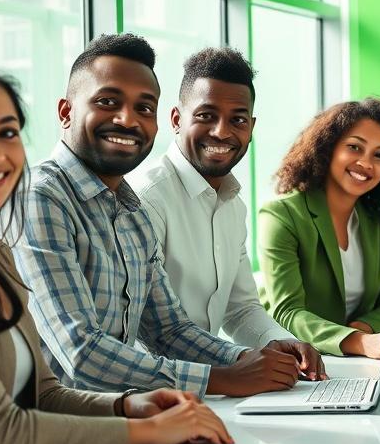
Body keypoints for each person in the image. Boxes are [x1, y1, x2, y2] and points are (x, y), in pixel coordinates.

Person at [0, 61, 233, 444]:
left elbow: (42, 393)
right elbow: (3, 435)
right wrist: (146, 431)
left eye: (6, 132)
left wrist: (128, 405)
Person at [13, 34, 320, 398]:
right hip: (48, 429)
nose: (127, 120)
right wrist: (222, 378)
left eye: (144, 108)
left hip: (117, 415)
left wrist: (252, 359)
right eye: (108, 102)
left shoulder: (129, 210)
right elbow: (81, 353)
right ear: (65, 111)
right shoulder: (39, 198)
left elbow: (168, 330)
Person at [130, 47, 326, 378]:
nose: (222, 132)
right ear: (177, 119)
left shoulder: (233, 204)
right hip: (153, 390)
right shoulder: (146, 200)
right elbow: (155, 332)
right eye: (206, 115)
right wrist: (242, 361)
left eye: (237, 119)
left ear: (251, 126)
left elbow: (240, 309)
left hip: (215, 384)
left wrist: (283, 342)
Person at [258, 98, 380, 360]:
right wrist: (359, 342)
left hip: (352, 364)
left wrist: (361, 332)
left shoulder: (378, 221)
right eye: (354, 147)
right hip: (292, 363)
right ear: (328, 148)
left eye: (379, 155)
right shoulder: (282, 216)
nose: (366, 163)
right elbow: (287, 313)